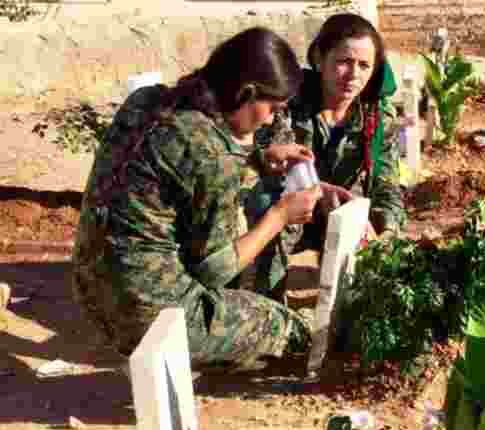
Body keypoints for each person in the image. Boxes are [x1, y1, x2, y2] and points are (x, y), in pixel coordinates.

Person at [73, 28, 323, 372]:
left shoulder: (147, 100)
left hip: (91, 288)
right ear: (246, 93)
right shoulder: (213, 153)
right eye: (271, 107)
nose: (269, 119)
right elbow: (213, 272)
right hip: (147, 316)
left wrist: (259, 160)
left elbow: (170, 165)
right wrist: (280, 215)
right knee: (287, 328)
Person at [259, 12, 406, 251]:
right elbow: (275, 168)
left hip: (346, 216)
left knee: (387, 236)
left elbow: (387, 185)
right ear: (319, 58)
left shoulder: (376, 118)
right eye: (344, 61)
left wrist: (385, 231)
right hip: (294, 211)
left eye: (364, 65)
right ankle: (265, 287)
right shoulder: (287, 103)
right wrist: (318, 195)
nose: (353, 75)